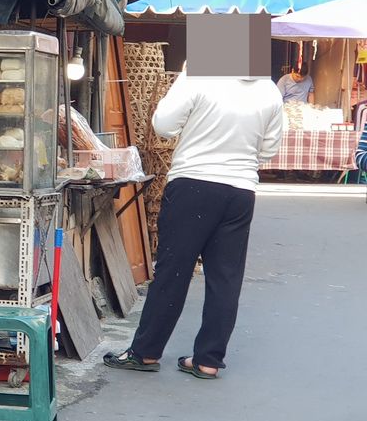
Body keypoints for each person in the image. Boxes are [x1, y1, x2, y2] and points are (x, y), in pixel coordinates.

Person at [104, 67, 283, 379]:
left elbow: (164, 125)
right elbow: (269, 149)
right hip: (241, 190)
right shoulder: (268, 89)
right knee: (226, 276)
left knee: (173, 271)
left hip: (193, 184)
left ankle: (145, 352)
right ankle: (209, 360)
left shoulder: (200, 73)